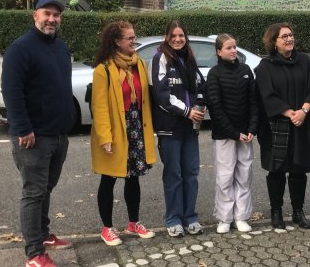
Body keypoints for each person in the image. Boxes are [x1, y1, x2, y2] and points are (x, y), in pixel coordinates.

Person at [0, 0, 74, 267]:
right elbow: (12, 91)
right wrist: (22, 128)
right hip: (33, 137)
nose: (52, 19)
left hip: (58, 135)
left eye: (56, 15)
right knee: (33, 192)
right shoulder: (21, 49)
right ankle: (34, 253)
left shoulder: (60, 47)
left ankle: (43, 234)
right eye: (47, 13)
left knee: (46, 189)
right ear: (35, 16)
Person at [89, 21, 158, 246]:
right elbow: (99, 107)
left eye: (133, 37)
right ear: (117, 42)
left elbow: (145, 100)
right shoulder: (104, 70)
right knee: (108, 179)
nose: (133, 42)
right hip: (115, 128)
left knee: (133, 177)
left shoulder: (139, 64)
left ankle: (133, 222)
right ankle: (107, 228)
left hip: (135, 126)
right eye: (129, 39)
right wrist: (105, 138)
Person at [254, 23, 310, 229]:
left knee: (298, 170)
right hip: (277, 126)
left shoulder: (305, 61)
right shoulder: (265, 66)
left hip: (302, 123)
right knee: (276, 171)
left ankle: (298, 211)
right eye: (283, 36)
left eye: (290, 35)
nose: (289, 39)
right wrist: (288, 112)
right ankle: (276, 212)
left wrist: (304, 111)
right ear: (273, 41)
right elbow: (265, 94)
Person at [150, 20, 208, 237]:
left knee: (191, 174)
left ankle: (190, 217)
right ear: (167, 37)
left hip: (190, 129)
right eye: (173, 35)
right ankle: (173, 219)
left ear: (186, 37)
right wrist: (187, 111)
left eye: (181, 35)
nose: (177, 39)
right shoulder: (160, 58)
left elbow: (201, 86)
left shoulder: (189, 58)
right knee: (174, 175)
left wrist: (200, 106)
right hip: (170, 128)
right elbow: (162, 95)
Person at [205, 34, 259, 234]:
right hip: (225, 135)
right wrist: (234, 133)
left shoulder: (246, 71)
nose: (233, 50)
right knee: (225, 176)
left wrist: (252, 128)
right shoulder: (214, 73)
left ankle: (242, 217)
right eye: (229, 48)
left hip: (246, 135)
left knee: (244, 175)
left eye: (235, 47)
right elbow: (216, 107)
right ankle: (225, 218)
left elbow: (254, 102)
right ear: (219, 52)